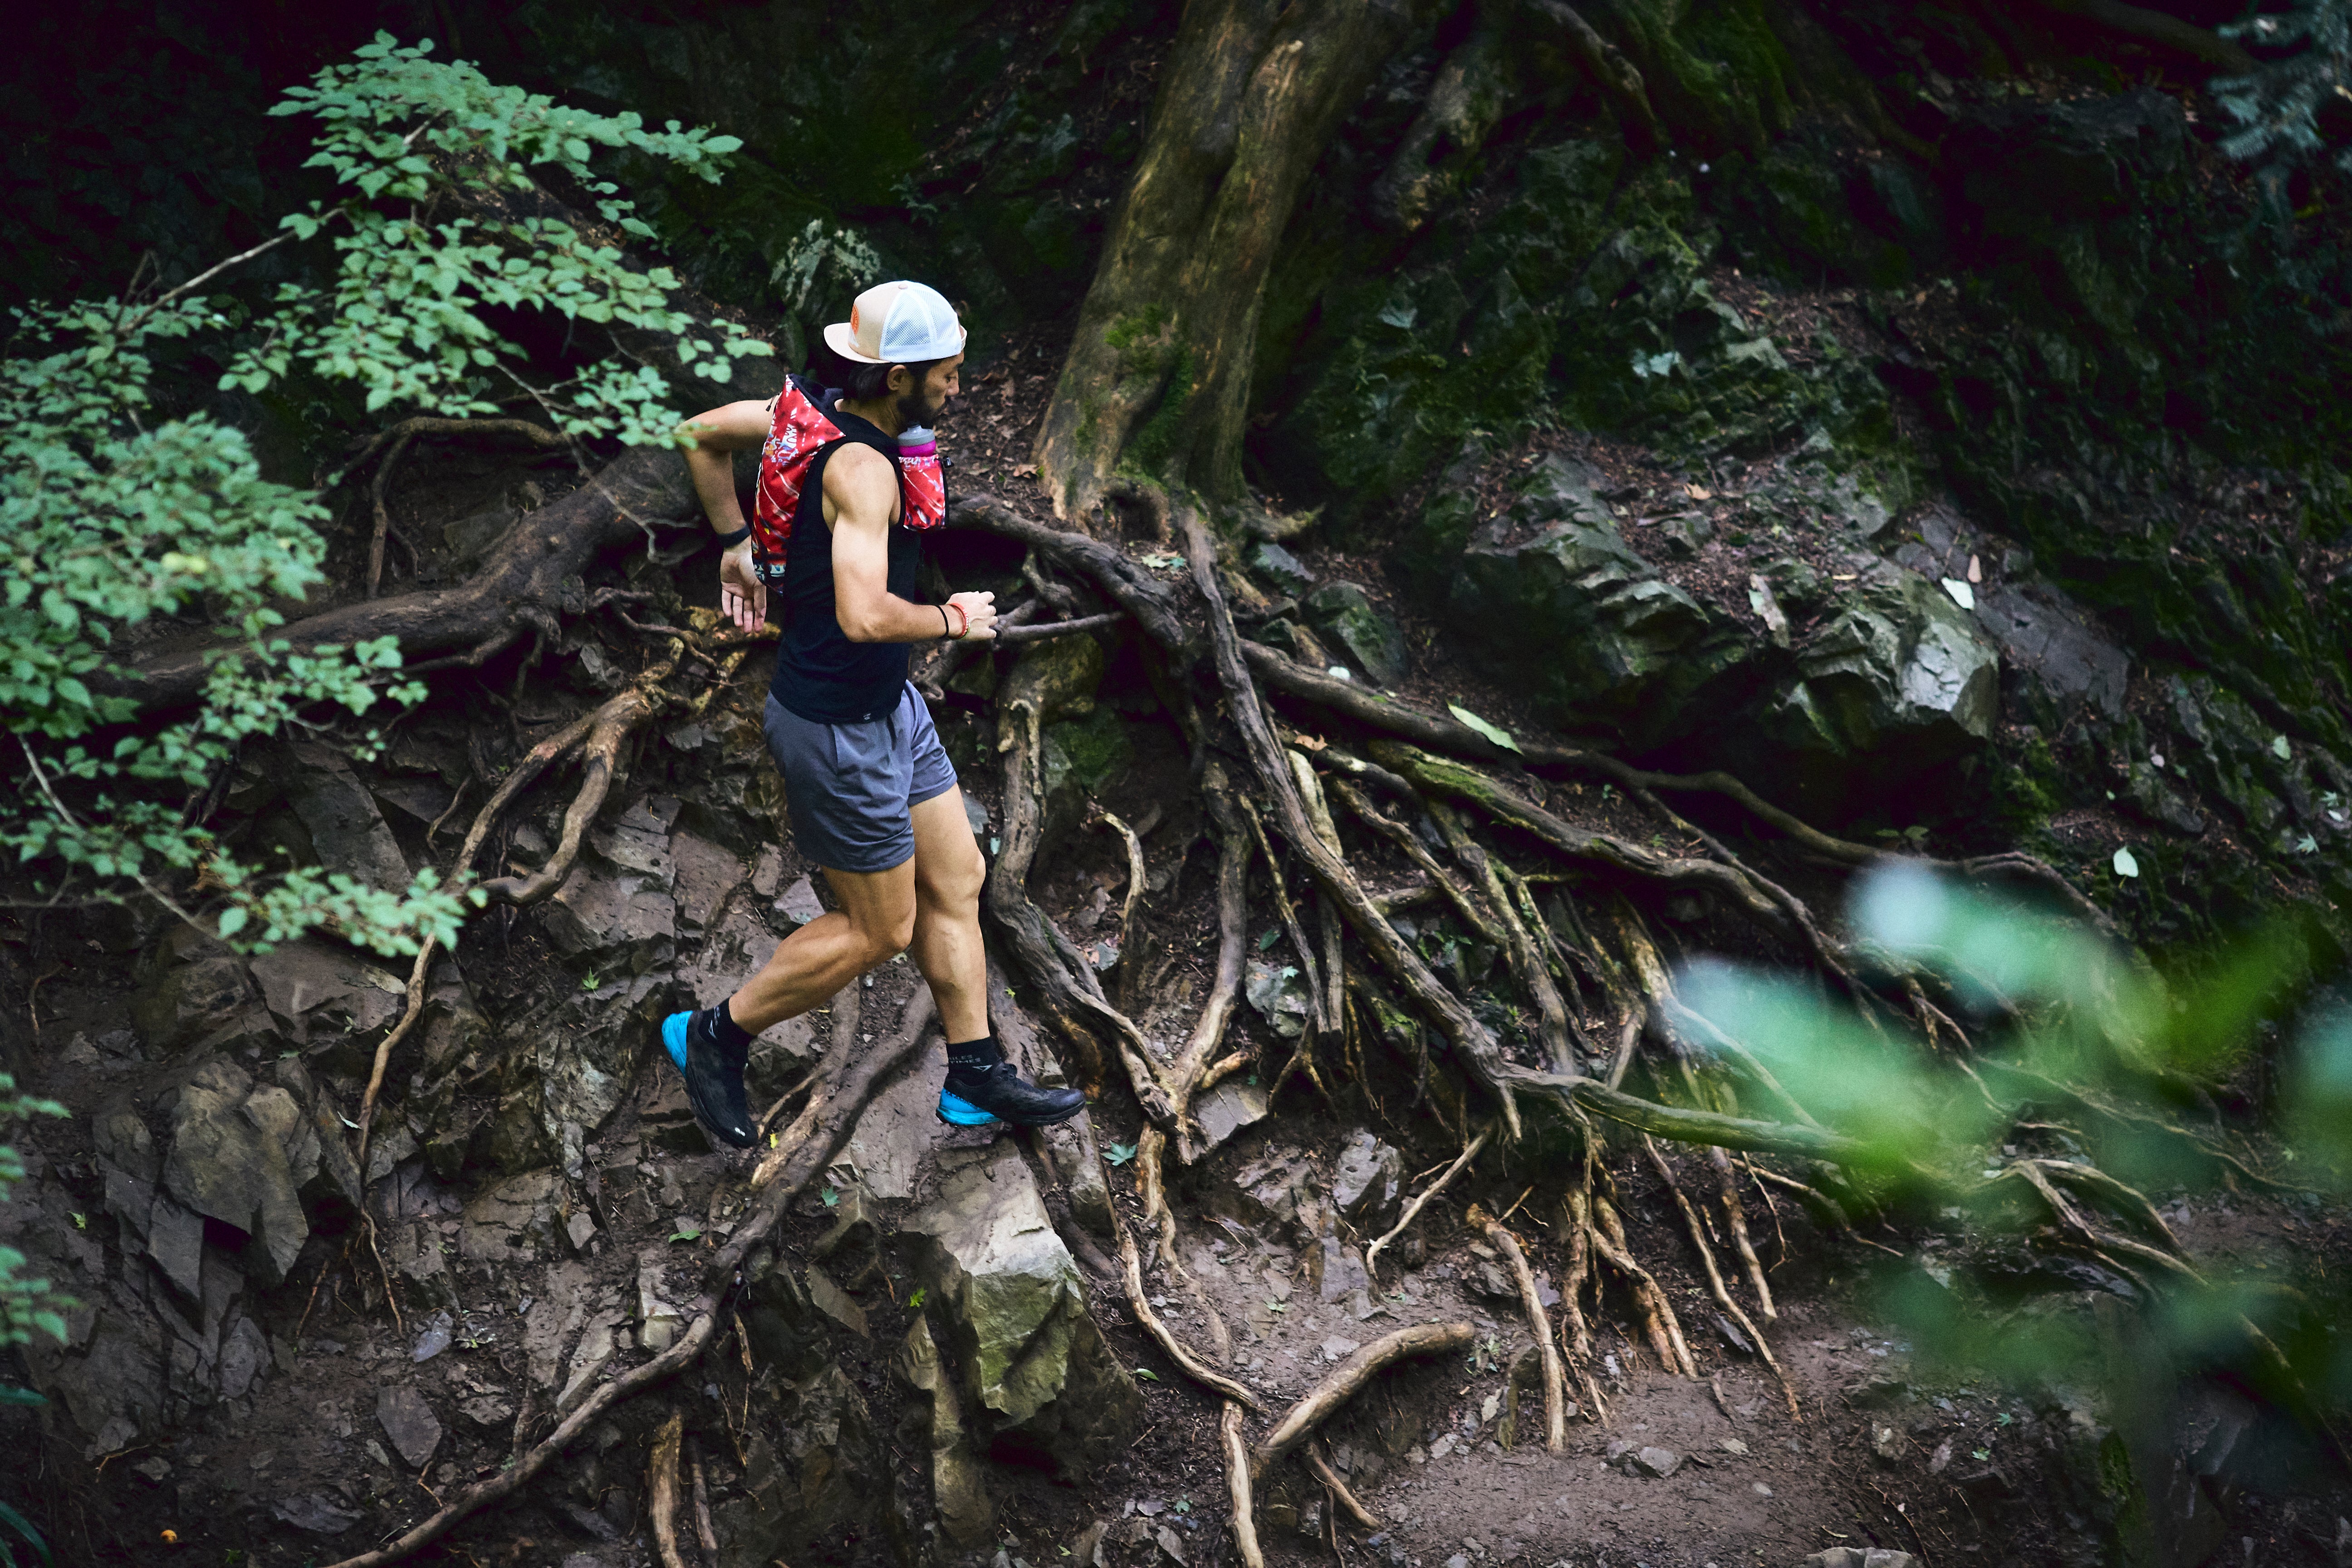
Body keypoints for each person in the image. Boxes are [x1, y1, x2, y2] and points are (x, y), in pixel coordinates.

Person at [656, 280, 1085, 1147]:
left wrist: (734, 544)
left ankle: (973, 1076)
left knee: (957, 878)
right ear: (896, 378)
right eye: (949, 375)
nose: (960, 389)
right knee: (879, 929)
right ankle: (711, 1036)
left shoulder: (801, 413)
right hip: (833, 727)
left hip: (889, 709)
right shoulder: (861, 468)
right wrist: (952, 620)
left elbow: (698, 434)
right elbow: (863, 614)